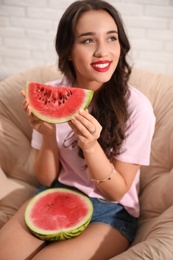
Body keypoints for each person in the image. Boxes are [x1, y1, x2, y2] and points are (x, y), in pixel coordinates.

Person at [0, 0, 155, 259]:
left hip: (111, 211)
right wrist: (48, 133)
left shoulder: (137, 107)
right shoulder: (53, 94)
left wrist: (91, 145)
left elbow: (117, 191)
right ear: (68, 50)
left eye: (111, 38)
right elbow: (47, 178)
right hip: (57, 192)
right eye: (87, 40)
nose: (103, 52)